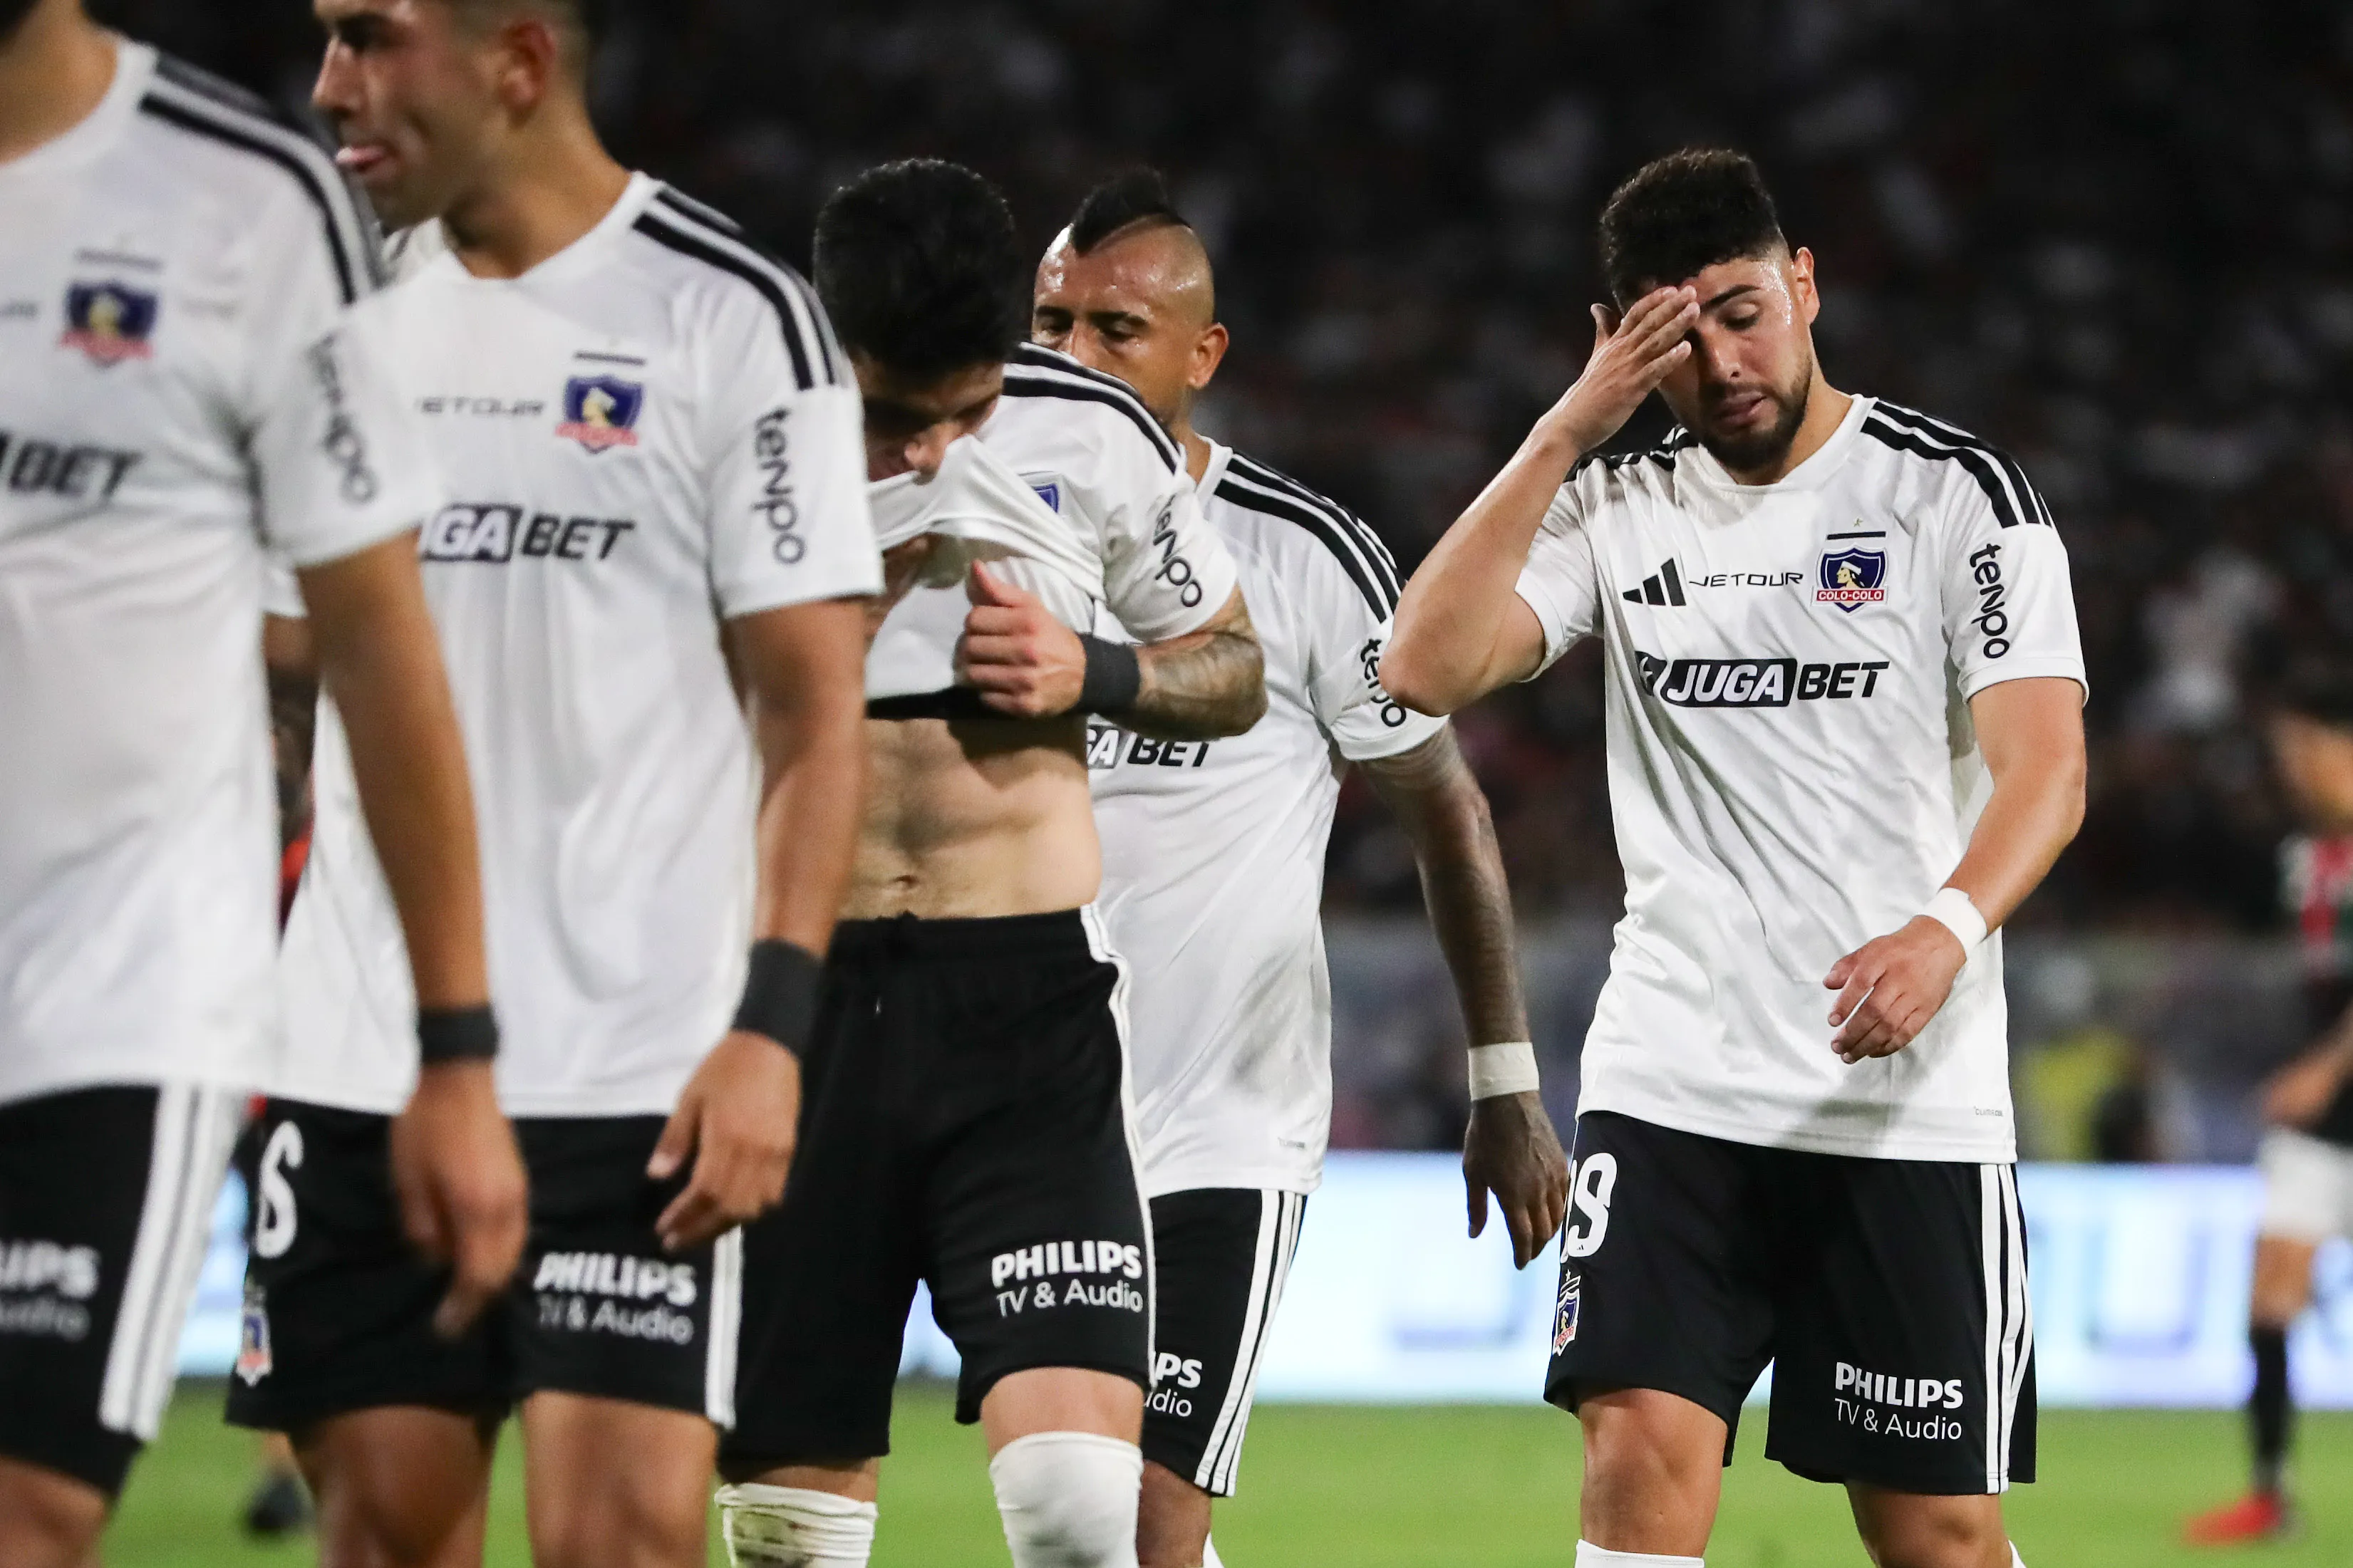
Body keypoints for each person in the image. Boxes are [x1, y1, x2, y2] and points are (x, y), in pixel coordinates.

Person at [222, 4, 877, 1567]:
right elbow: (271, 666)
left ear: (517, 61)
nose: (330, 86)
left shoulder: (731, 320)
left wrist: (771, 1028)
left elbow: (813, 715)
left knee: (623, 1543)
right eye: (325, 39)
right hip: (357, 1053)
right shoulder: (332, 320)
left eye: (371, 37)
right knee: (380, 1536)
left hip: (633, 1074)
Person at [1380, 149, 2088, 1568]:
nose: (1720, 359)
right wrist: (1564, 431)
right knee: (1635, 1457)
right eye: (1673, 334)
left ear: (1805, 283)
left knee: (1938, 1536)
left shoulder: (1954, 495)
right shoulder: (1614, 502)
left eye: (1742, 310)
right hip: (1673, 1088)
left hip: (1900, 1107)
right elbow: (1420, 662)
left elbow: (2047, 769)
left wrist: (1945, 927)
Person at [0, 1, 525, 1564]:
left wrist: (452, 1048)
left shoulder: (244, 202)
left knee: (26, 1508)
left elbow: (379, 645)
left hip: (108, 981)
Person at [715, 158, 1266, 1568]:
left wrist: (1098, 665)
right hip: (800, 1000)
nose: (922, 452)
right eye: (896, 415)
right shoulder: (731, 425)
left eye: (962, 409)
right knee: (785, 1533)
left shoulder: (1089, 429)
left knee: (1086, 1509)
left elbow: (1235, 666)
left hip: (1021, 1006)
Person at [1030, 168, 1571, 1568]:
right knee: (1062, 1521)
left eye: (1113, 331)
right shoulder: (976, 533)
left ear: (1202, 356)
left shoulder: (1302, 554)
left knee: (1139, 1525)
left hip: (1215, 1124)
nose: (1070, 360)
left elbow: (1443, 807)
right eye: (1050, 324)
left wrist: (1503, 1079)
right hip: (1011, 1121)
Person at [2184, 655, 2353, 1545]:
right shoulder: (2306, 854)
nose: (2290, 767)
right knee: (2270, 1291)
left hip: (2331, 1087)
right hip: (2325, 1121)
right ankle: (2269, 1490)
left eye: (2300, 748)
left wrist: (2324, 1066)